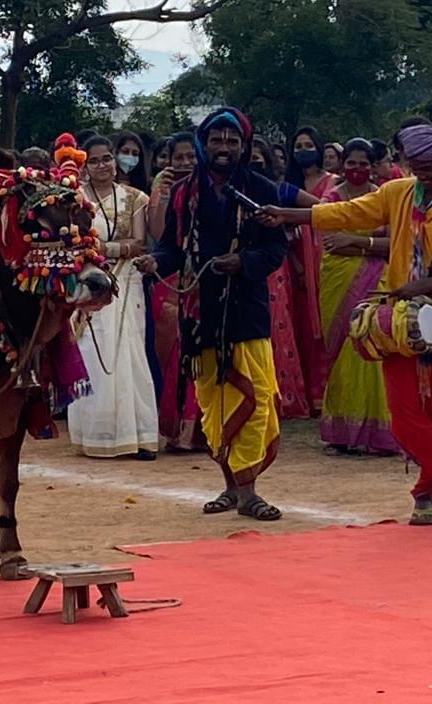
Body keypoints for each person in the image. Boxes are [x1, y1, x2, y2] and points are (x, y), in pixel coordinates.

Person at [261, 123, 432, 526]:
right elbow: (348, 212)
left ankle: (425, 493)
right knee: (405, 412)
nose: (420, 173)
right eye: (414, 165)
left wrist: (426, 285)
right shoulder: (397, 192)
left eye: (428, 166)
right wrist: (290, 215)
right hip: (401, 324)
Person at [135, 107, 288, 521]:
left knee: (255, 399)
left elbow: (276, 248)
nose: (224, 147)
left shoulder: (261, 189)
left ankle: (249, 492)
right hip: (199, 313)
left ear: (243, 146)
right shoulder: (184, 193)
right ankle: (231, 488)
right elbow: (172, 248)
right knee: (214, 404)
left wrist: (244, 262)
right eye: (216, 139)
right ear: (204, 144)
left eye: (232, 140)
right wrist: (154, 262)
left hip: (246, 310)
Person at [67, 136, 159, 460]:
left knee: (129, 351)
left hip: (126, 280)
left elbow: (139, 243)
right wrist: (96, 252)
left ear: (115, 161)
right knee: (92, 351)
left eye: (106, 158)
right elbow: (72, 242)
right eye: (94, 161)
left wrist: (104, 248)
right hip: (88, 280)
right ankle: (98, 433)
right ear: (85, 166)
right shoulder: (74, 200)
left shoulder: (135, 198)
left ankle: (140, 434)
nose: (102, 165)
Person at [317, 138, 396, 455]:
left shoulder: (383, 198)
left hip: (377, 282)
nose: (357, 169)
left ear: (373, 166)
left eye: (364, 163)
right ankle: (342, 431)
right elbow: (331, 244)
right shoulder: (332, 198)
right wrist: (371, 246)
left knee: (371, 347)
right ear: (342, 164)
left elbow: (395, 244)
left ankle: (377, 432)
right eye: (351, 163)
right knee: (342, 351)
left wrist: (355, 241)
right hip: (337, 280)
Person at [148, 132, 206, 451]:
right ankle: (175, 430)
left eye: (191, 157)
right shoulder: (164, 189)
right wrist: (164, 196)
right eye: (179, 157)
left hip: (206, 277)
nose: (185, 163)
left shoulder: (211, 186)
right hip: (172, 280)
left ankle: (201, 431)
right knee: (171, 352)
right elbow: (161, 236)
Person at [252, 135, 308, 419]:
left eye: (258, 158)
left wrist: (288, 222)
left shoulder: (280, 190)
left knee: (278, 325)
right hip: (245, 265)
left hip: (275, 266)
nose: (254, 163)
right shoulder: (235, 189)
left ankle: (286, 396)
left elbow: (318, 208)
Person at [284, 126, 335, 413]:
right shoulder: (289, 185)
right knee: (302, 325)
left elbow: (334, 219)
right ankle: (305, 392)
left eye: (308, 145)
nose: (303, 150)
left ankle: (327, 393)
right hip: (295, 264)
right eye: (298, 146)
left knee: (325, 323)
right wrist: (299, 266)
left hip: (325, 260)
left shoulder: (332, 183)